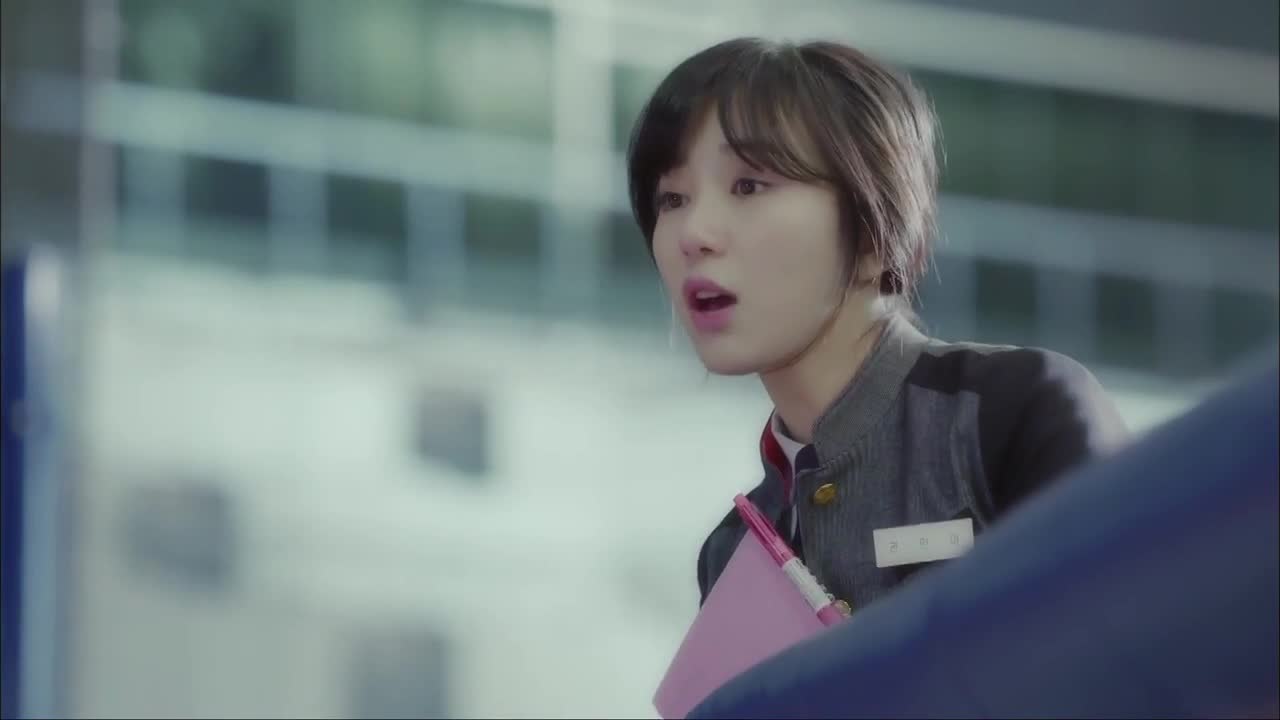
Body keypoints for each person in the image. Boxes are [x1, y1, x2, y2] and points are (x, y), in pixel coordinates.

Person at [625, 37, 1131, 613]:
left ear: (871, 230)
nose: (693, 234)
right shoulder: (733, 556)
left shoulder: (1014, 415)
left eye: (749, 186)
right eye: (672, 199)